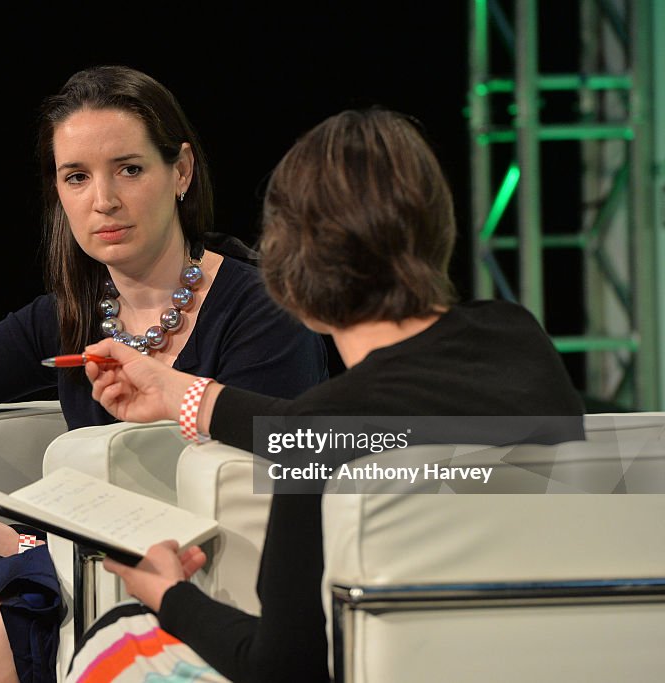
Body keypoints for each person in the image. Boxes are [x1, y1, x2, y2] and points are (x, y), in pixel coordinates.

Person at [0, 65, 328, 683]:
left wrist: (24, 548)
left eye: (129, 168)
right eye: (77, 177)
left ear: (180, 171)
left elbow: (264, 495)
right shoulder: (70, 313)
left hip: (200, 572)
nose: (104, 200)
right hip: (72, 561)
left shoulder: (261, 309)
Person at [66, 107, 586, 682]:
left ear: (291, 270)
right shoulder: (518, 340)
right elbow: (369, 421)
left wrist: (170, 595)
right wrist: (187, 395)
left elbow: (280, 667)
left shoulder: (323, 435)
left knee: (113, 636)